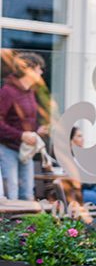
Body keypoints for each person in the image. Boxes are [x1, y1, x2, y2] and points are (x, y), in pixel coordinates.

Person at [0, 51, 47, 201]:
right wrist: (21, 135)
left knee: (27, 194)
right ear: (28, 69)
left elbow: (26, 119)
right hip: (8, 150)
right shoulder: (7, 91)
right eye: (39, 68)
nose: (41, 72)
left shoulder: (30, 92)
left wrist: (36, 130)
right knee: (11, 195)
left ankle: (27, 226)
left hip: (25, 151)